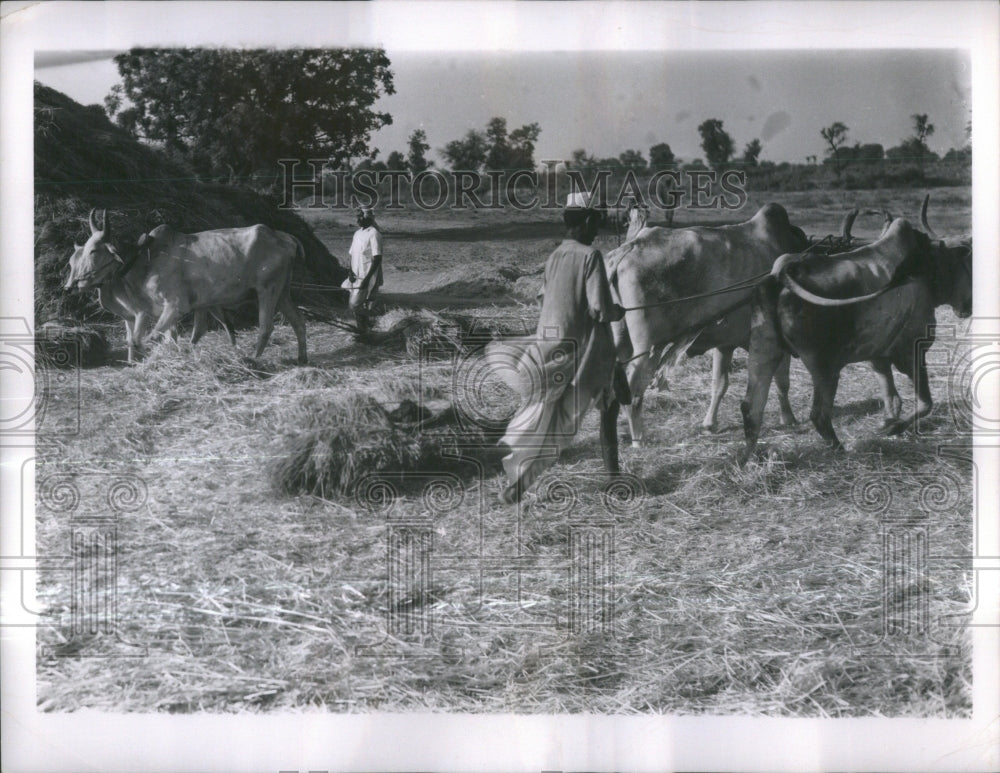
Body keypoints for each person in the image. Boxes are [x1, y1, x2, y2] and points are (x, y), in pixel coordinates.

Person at [487, 191, 631, 505]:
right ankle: (613, 480)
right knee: (591, 416)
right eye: (598, 220)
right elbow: (601, 310)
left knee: (544, 423)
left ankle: (518, 484)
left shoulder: (554, 257)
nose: (598, 228)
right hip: (583, 358)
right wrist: (618, 310)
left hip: (547, 354)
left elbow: (543, 297)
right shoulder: (590, 256)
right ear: (590, 220)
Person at [341, 207, 383, 330]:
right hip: (355, 275)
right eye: (357, 216)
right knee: (357, 304)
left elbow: (377, 258)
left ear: (368, 218)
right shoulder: (357, 233)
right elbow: (352, 253)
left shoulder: (374, 233)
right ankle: (364, 328)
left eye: (360, 216)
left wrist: (366, 279)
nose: (357, 219)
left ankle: (366, 326)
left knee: (354, 304)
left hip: (367, 274)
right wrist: (350, 271)